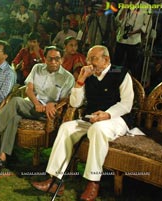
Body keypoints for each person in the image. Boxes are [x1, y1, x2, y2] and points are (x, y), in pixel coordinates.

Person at [31, 45, 134, 199]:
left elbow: (127, 103)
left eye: (93, 58)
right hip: (91, 118)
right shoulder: (89, 75)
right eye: (88, 58)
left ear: (106, 59)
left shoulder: (120, 72)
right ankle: (55, 180)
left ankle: (93, 182)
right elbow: (75, 103)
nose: (89, 62)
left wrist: (107, 114)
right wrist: (80, 81)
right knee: (66, 128)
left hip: (116, 119)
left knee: (98, 129)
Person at [0, 46, 75, 172]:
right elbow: (29, 89)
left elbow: (65, 100)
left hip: (48, 111)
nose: (54, 62)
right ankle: (2, 157)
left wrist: (52, 104)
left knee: (15, 102)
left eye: (57, 59)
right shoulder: (37, 68)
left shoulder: (67, 77)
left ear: (62, 59)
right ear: (45, 59)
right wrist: (36, 103)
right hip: (32, 105)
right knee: (13, 116)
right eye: (50, 59)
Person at [113, 0, 152, 80]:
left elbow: (147, 26)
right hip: (121, 40)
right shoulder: (125, 5)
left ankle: (132, 85)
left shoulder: (147, 6)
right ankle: (114, 82)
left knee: (133, 67)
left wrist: (133, 33)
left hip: (134, 42)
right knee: (116, 66)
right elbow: (117, 21)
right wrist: (125, 7)